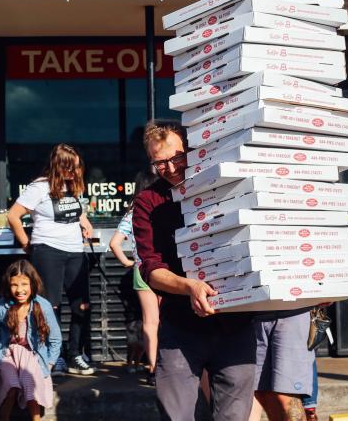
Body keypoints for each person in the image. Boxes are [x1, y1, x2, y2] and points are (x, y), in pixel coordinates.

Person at [134, 120, 313, 421]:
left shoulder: (227, 188)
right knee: (175, 414)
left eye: (176, 157)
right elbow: (152, 269)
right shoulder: (147, 202)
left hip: (236, 326)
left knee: (235, 417)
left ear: (191, 150)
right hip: (181, 328)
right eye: (159, 162)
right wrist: (189, 286)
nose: (170, 167)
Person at [7, 144, 96, 376]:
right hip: (48, 250)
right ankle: (53, 355)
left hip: (75, 250)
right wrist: (27, 244)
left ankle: (75, 353)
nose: (76, 171)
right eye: (71, 168)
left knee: (82, 306)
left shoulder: (72, 185)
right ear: (59, 166)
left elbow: (75, 210)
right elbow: (13, 215)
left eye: (77, 167)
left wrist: (84, 221)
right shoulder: (40, 187)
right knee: (51, 306)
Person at [0, 259, 62, 421]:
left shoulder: (43, 305)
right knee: (11, 387)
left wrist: (50, 362)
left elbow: (56, 338)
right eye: (14, 285)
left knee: (30, 385)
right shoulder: (1, 306)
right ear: (8, 285)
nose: (20, 290)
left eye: (24, 284)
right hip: (7, 354)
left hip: (32, 355)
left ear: (33, 284)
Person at [109, 202, 159, 383]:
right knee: (166, 319)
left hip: (141, 267)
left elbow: (114, 244)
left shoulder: (132, 214)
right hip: (165, 268)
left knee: (150, 321)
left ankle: (153, 368)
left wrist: (128, 262)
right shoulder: (163, 206)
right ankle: (165, 365)